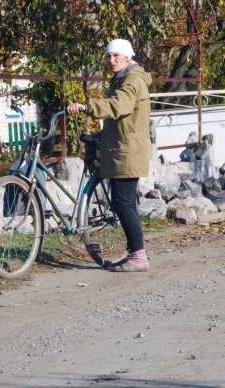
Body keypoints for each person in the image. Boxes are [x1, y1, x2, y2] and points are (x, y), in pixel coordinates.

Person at [66, 38, 152, 272]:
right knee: (123, 203)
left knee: (122, 203)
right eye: (108, 56)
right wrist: (99, 136)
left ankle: (138, 257)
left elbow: (119, 105)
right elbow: (122, 121)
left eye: (116, 56)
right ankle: (136, 253)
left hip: (128, 151)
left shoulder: (132, 81)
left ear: (128, 57)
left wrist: (87, 107)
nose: (111, 60)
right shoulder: (121, 78)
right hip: (121, 147)